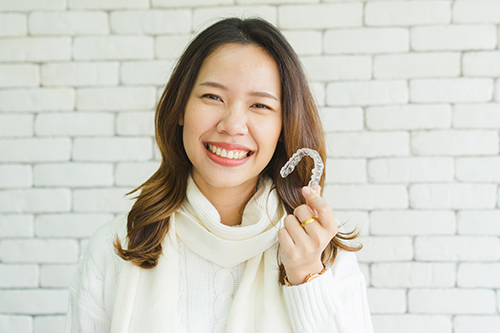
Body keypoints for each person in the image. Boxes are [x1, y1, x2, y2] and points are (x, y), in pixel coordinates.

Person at [65, 17, 373, 333]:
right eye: (213, 97)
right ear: (180, 108)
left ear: (283, 127)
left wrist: (307, 276)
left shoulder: (323, 255)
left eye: (260, 105)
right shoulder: (115, 248)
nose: (232, 124)